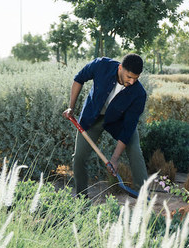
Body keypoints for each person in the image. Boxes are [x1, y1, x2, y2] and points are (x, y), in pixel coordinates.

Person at [63, 53, 148, 197]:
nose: (132, 81)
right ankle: (81, 198)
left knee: (135, 150)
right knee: (79, 157)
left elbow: (128, 129)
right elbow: (79, 79)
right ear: (120, 68)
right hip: (93, 117)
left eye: (136, 78)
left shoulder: (139, 94)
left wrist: (114, 159)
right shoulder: (101, 65)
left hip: (118, 121)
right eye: (129, 77)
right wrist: (71, 107)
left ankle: (144, 197)